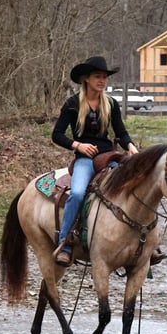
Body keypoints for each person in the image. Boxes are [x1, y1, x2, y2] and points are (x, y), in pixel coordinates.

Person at [51, 56, 138, 267]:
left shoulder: (111, 104)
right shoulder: (72, 105)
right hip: (85, 159)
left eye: (104, 77)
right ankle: (65, 242)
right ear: (86, 79)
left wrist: (131, 147)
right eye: (97, 77)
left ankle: (142, 242)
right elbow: (57, 134)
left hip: (108, 157)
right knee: (78, 193)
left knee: (131, 189)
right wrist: (77, 145)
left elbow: (120, 132)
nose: (102, 81)